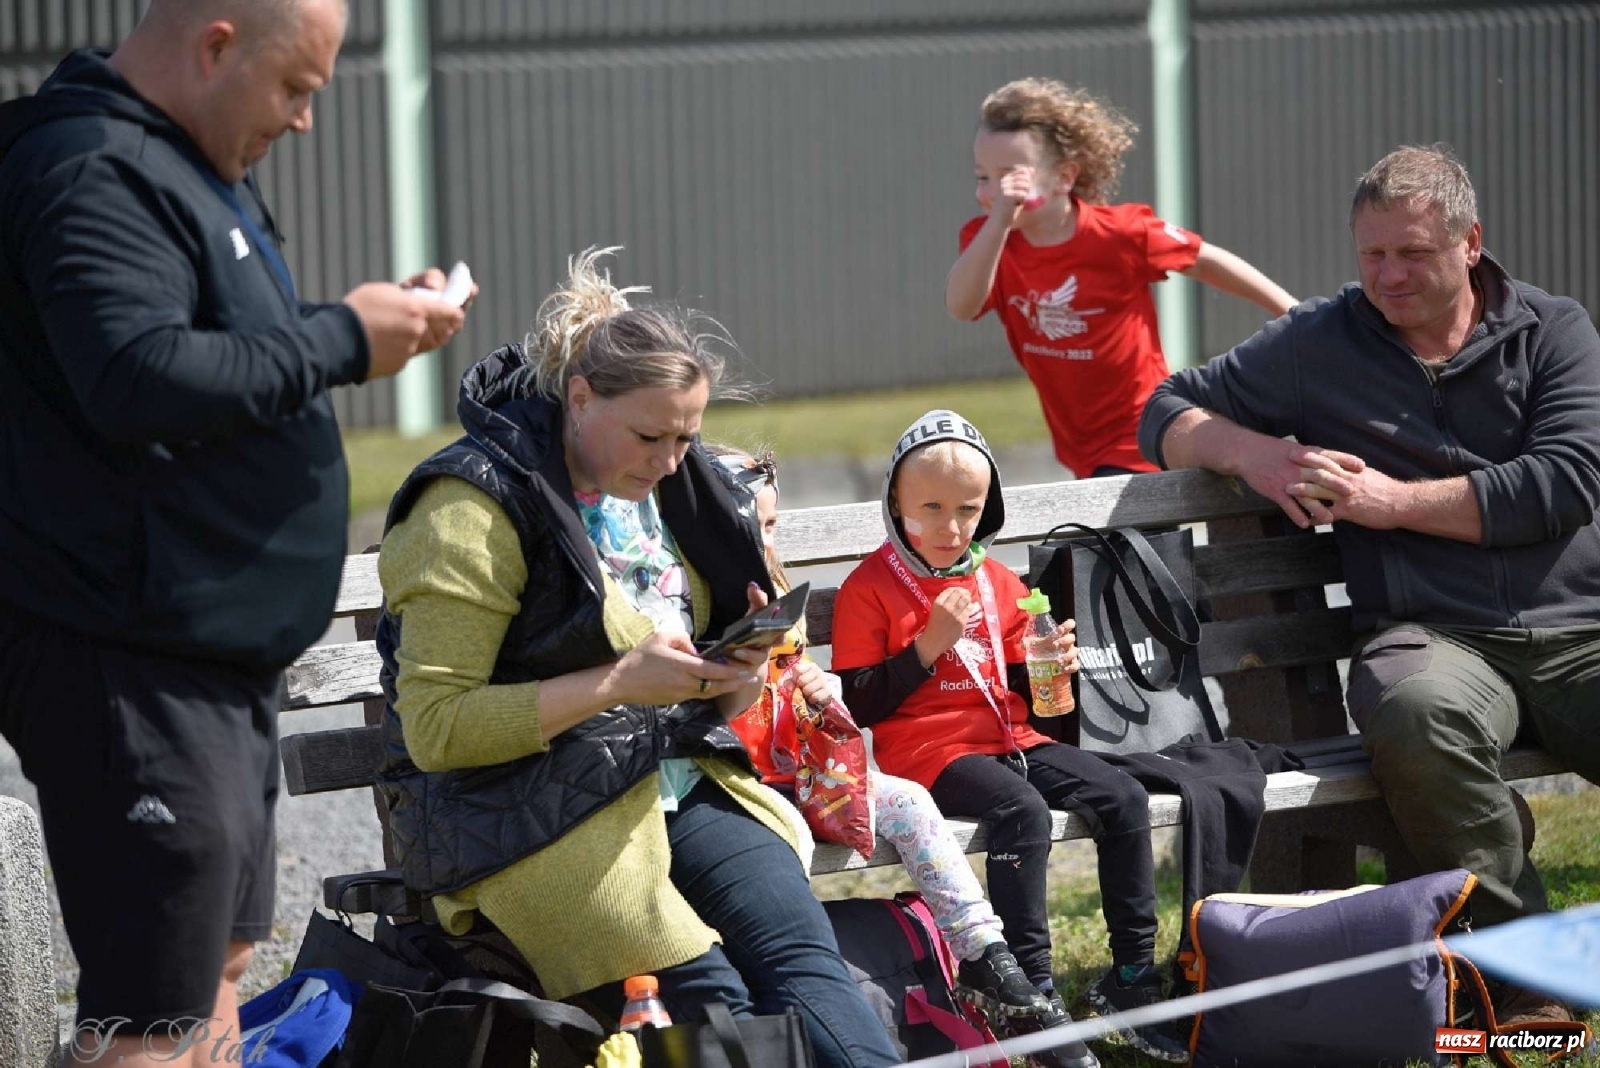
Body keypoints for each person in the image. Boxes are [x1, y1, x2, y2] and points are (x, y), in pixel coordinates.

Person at [0, 1, 467, 1064]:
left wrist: (345, 330)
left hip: (210, 657)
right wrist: (346, 337)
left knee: (214, 967)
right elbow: (136, 376)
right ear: (215, 44)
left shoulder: (187, 165)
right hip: (127, 656)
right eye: (296, 86)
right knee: (146, 1019)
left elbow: (226, 365)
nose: (305, 120)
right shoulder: (88, 168)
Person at [373, 247, 901, 1068]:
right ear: (579, 399)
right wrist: (618, 682)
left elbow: (694, 692)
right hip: (521, 814)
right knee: (710, 1006)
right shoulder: (467, 505)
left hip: (676, 779)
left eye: (687, 437)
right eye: (651, 435)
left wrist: (736, 675)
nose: (669, 461)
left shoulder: (666, 492)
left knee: (803, 964)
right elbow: (439, 730)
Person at [1138, 143, 1600, 1026]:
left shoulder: (1556, 329)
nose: (1388, 277)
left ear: (1472, 243)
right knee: (1419, 716)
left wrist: (1391, 504)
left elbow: (1569, 481)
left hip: (1581, 624)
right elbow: (1164, 409)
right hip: (1435, 635)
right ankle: (1529, 987)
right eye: (1372, 255)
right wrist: (1257, 454)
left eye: (1414, 254)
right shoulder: (1319, 341)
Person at [830, 409, 1191, 1067]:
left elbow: (1037, 706)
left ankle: (1133, 978)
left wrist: (1051, 669)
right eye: (930, 508)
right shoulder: (869, 588)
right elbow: (859, 703)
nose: (951, 527)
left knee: (1122, 795)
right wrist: (926, 648)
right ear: (895, 505)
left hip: (1012, 738)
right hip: (926, 754)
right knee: (1019, 812)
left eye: (968, 509)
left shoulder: (999, 582)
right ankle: (1031, 995)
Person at [711, 445, 1050, 1030]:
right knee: (781, 841)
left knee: (909, 802)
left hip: (806, 771)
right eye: (751, 525)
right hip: (737, 784)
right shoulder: (692, 599)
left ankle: (980, 952)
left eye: (771, 525)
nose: (765, 540)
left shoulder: (772, 581)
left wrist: (815, 684)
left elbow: (802, 691)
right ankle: (789, 988)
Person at [945, 76, 1297, 480]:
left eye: (1011, 175)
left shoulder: (1119, 234)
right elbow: (961, 306)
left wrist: (1294, 314)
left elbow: (1205, 260)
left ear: (1064, 177)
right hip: (1079, 448)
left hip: (1144, 433)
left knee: (1110, 542)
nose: (994, 190)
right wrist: (999, 224)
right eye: (982, 176)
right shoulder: (988, 243)